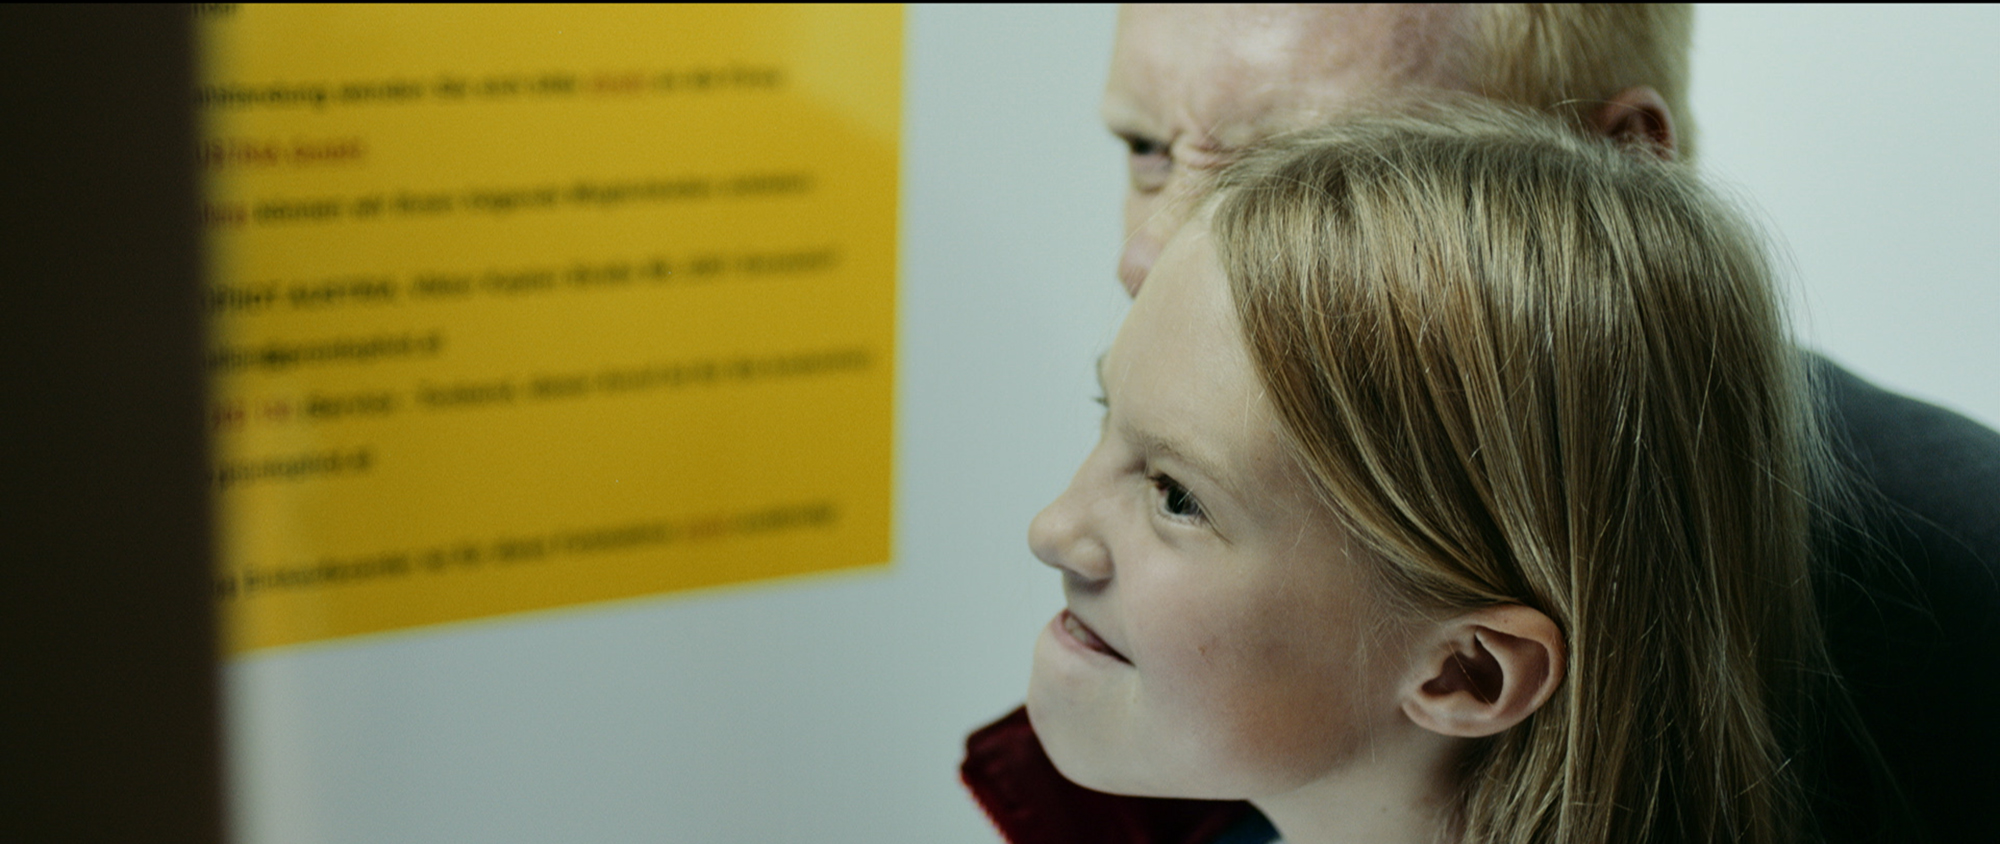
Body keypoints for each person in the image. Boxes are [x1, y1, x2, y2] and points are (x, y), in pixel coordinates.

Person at [966, 5, 1999, 842]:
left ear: (1607, 173)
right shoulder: (1179, 692)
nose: (1149, 254)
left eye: (1308, 173)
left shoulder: (1959, 609)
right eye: (1146, 149)